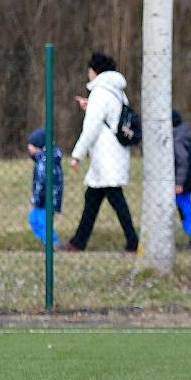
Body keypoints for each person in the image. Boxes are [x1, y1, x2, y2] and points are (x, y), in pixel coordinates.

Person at [60, 52, 139, 253]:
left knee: (114, 199)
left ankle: (133, 242)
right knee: (93, 199)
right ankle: (79, 242)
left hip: (106, 157)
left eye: (89, 70)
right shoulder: (117, 91)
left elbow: (92, 128)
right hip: (114, 154)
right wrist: (90, 107)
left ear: (95, 71)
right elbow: (109, 119)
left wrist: (77, 154)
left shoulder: (99, 93)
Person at [26, 127, 63, 247]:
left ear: (39, 146)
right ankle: (46, 242)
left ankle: (52, 243)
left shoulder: (45, 162)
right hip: (43, 200)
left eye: (31, 145)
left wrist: (35, 200)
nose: (28, 148)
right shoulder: (42, 160)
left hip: (46, 200)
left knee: (43, 222)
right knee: (33, 219)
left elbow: (41, 184)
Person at [172, 109, 191, 249]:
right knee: (184, 206)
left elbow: (183, 161)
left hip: (182, 182)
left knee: (184, 207)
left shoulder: (177, 138)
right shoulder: (183, 134)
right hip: (186, 179)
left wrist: (179, 183)